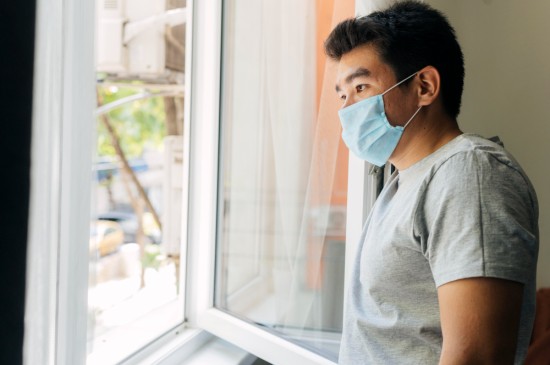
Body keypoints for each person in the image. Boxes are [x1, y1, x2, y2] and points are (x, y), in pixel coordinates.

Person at [324, 1, 539, 364]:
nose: (347, 109)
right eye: (342, 94)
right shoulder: (401, 181)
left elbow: (477, 356)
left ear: (424, 86)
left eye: (360, 87)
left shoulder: (470, 172)